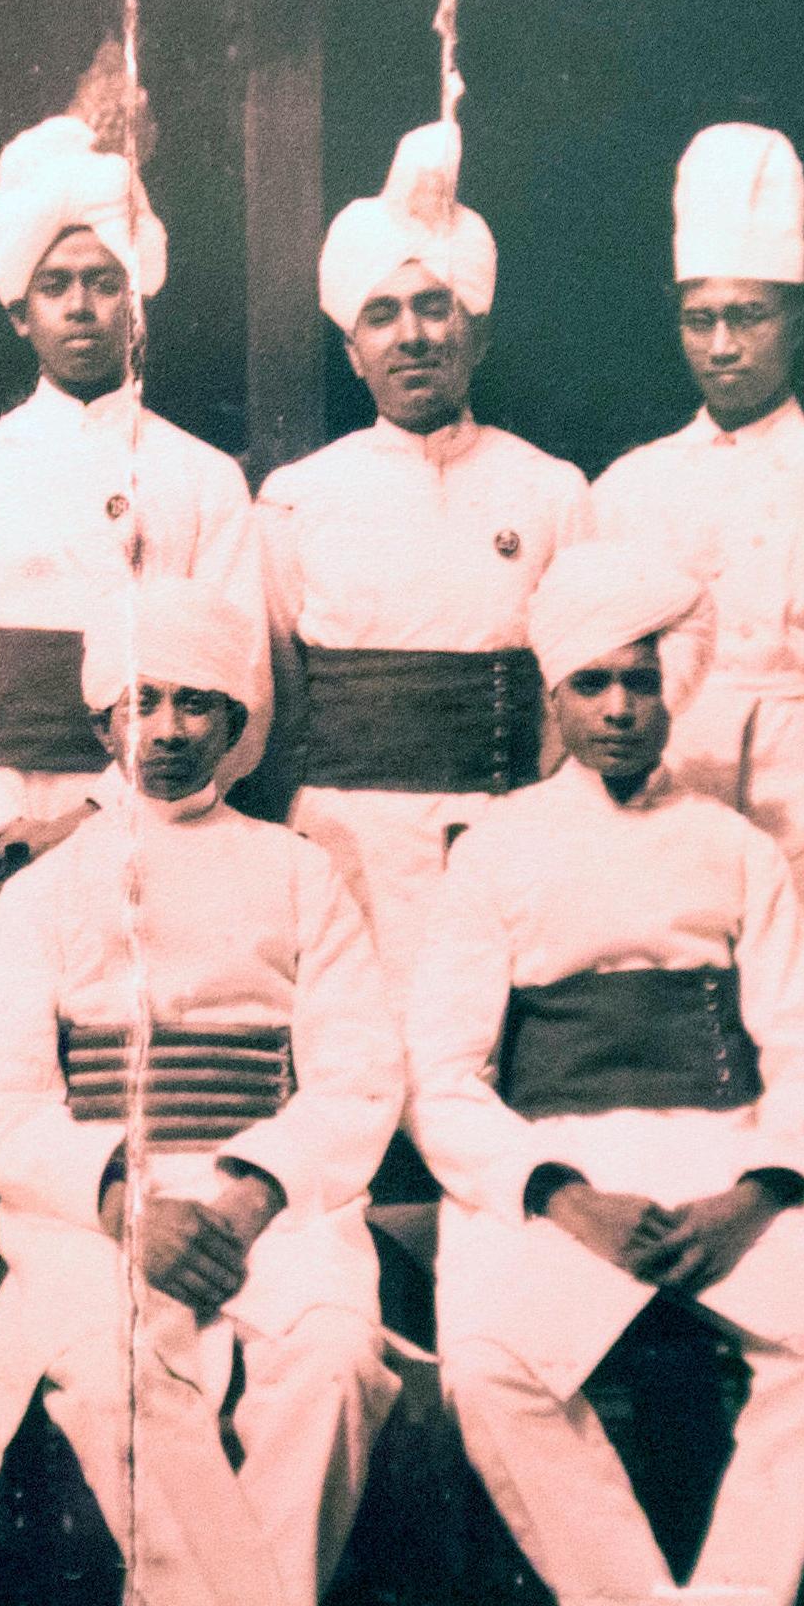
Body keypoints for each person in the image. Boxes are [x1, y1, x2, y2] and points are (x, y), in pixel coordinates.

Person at [406, 539, 804, 1606]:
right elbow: (442, 1077)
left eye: (638, 683)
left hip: (722, 1151)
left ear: (668, 694)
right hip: (563, 1168)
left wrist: (756, 1188)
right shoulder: (491, 850)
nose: (618, 708)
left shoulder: (733, 847)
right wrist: (561, 1194)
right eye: (591, 686)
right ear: (551, 701)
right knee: (492, 1369)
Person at [0, 580, 399, 1606]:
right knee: (109, 1377)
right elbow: (0, 1099)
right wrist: (120, 1198)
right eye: (141, 700)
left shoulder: (300, 870)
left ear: (237, 720)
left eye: (197, 701)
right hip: (99, 1210)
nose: (167, 729)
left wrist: (257, 1193)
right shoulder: (47, 889)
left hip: (272, 1198)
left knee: (330, 1358)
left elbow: (357, 1071)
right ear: (104, 714)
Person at [0, 92, 259, 1549]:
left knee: (128, 1148)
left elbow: (238, 689)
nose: (82, 304)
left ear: (138, 292)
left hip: (137, 851)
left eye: (102, 276)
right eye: (55, 283)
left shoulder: (206, 480)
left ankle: (146, 1517)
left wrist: (95, 817)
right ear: (17, 307)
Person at [591, 123, 804, 1017]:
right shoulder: (628, 488)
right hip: (656, 796)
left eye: (749, 316)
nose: (723, 345)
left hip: (802, 813)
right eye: (701, 319)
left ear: (798, 323)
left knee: (799, 1042)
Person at [254, 119, 592, 999]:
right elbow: (275, 705)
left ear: (474, 332)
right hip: (341, 856)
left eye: (433, 306)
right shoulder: (297, 498)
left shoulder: (552, 492)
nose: (412, 336)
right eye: (383, 314)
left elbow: (573, 705)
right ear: (353, 351)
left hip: (502, 847)